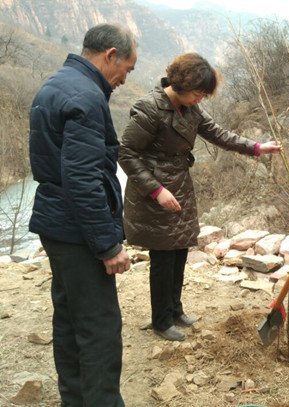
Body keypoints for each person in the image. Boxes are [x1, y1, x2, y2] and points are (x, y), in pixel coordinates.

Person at [119, 53, 281, 342]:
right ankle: (160, 320)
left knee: (179, 250)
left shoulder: (191, 108)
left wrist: (256, 148)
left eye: (204, 95)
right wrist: (156, 190)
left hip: (179, 184)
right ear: (180, 84)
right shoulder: (149, 108)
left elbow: (219, 134)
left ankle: (175, 310)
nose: (200, 99)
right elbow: (126, 153)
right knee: (163, 257)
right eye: (198, 93)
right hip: (154, 192)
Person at [28, 24, 136, 406]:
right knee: (100, 329)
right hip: (76, 231)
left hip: (55, 224)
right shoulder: (87, 96)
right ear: (110, 55)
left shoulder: (56, 83)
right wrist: (107, 245)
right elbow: (82, 178)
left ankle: (74, 399)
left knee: (70, 320)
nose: (125, 78)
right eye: (127, 68)